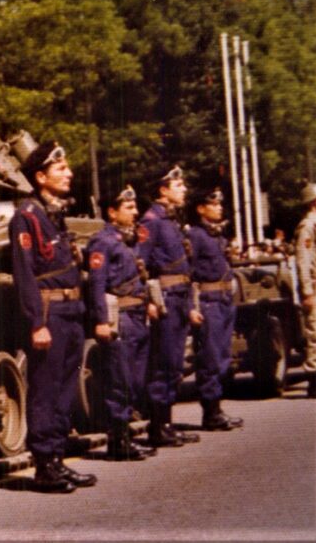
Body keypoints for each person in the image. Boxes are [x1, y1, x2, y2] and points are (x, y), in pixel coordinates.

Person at [10, 142, 95, 493]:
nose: (69, 173)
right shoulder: (26, 216)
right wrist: (37, 323)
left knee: (63, 388)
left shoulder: (53, 215)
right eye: (60, 169)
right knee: (46, 389)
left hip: (70, 311)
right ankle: (44, 465)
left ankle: (58, 458)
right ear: (41, 176)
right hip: (49, 313)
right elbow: (25, 274)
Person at [84, 185, 158, 461]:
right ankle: (119, 440)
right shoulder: (102, 242)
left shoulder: (128, 241)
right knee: (121, 380)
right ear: (112, 213)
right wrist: (101, 320)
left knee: (136, 380)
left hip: (137, 317)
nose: (136, 211)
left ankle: (127, 433)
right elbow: (96, 283)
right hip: (121, 319)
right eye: (129, 207)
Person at [137, 166, 200, 447]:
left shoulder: (171, 220)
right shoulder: (151, 221)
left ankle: (167, 422)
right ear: (163, 190)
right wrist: (150, 300)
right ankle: (157, 426)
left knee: (175, 363)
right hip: (165, 299)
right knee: (163, 363)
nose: (184, 189)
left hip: (180, 296)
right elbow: (141, 264)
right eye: (179, 185)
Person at [188, 188, 244, 429]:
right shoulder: (196, 236)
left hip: (223, 298)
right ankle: (210, 412)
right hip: (208, 299)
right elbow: (188, 274)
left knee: (222, 355)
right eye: (213, 204)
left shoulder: (216, 235)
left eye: (220, 204)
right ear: (201, 208)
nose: (219, 207)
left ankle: (217, 408)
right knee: (210, 357)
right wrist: (192, 306)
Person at [295, 182, 316, 398]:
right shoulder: (308, 226)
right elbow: (303, 261)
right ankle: (315, 381)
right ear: (314, 201)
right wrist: (306, 291)